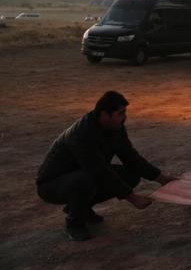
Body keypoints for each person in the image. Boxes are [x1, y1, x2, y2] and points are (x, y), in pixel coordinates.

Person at [36, 91, 176, 241]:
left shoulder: (115, 128)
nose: (124, 117)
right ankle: (74, 223)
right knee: (86, 180)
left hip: (82, 174)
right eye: (120, 113)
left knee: (131, 175)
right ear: (104, 115)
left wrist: (161, 178)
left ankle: (80, 207)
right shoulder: (82, 135)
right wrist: (132, 198)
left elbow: (130, 157)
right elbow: (98, 170)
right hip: (52, 185)